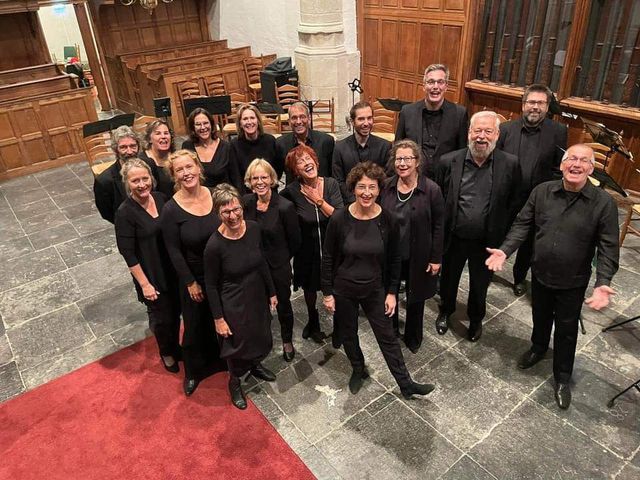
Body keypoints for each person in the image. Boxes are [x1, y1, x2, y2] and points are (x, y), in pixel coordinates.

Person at [486, 144, 619, 410]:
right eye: (571, 159)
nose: (576, 164)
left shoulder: (604, 203)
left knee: (567, 330)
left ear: (591, 169)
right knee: (540, 316)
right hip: (541, 273)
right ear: (562, 164)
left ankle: (562, 377)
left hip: (573, 281)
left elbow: (608, 246)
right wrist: (505, 250)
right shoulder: (542, 191)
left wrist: (603, 282)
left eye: (583, 161)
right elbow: (522, 224)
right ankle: (538, 348)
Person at [321, 162, 435, 399]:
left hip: (374, 289)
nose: (366, 192)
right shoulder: (339, 219)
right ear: (353, 188)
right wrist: (328, 293)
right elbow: (328, 258)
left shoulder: (388, 219)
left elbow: (394, 259)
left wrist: (392, 292)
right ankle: (358, 369)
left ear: (379, 189)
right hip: (344, 289)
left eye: (372, 187)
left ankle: (406, 384)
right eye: (361, 187)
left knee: (388, 338)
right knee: (349, 334)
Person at [434, 111, 520, 342]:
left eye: (488, 131)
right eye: (477, 130)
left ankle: (475, 319)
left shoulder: (510, 164)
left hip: (487, 242)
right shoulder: (448, 161)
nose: (481, 136)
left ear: (497, 135)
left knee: (480, 285)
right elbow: (439, 198)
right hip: (454, 238)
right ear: (469, 133)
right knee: (448, 280)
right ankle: (446, 310)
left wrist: (505, 239)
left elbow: (514, 203)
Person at [204, 184, 278, 410]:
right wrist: (218, 319)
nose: (233, 216)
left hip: (257, 293)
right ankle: (235, 381)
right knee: (237, 343)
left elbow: (262, 261)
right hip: (233, 300)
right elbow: (211, 285)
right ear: (218, 213)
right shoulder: (214, 245)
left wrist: (272, 291)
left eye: (236, 209)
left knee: (259, 333)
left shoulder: (254, 228)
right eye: (226, 212)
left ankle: (255, 365)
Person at [161, 149, 226, 396]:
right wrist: (189, 282)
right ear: (174, 175)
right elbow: (173, 250)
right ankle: (193, 372)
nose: (186, 173)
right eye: (180, 170)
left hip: (222, 272)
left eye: (189, 167)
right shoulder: (171, 209)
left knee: (225, 318)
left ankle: (227, 360)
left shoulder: (215, 194)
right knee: (194, 325)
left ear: (198, 167)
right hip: (195, 276)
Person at [496, 83, 568, 297]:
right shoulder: (506, 129)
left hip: (538, 200)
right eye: (531, 102)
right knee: (498, 233)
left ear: (547, 106)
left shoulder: (558, 131)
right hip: (506, 197)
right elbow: (496, 162)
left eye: (540, 103)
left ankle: (519, 277)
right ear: (523, 104)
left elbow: (558, 167)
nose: (535, 107)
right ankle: (489, 268)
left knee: (528, 243)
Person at [115, 159, 181, 373]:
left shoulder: (161, 198)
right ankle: (167, 352)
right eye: (135, 181)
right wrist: (144, 284)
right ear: (127, 183)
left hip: (172, 269)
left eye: (145, 178)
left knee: (176, 312)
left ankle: (176, 346)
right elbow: (128, 253)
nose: (142, 184)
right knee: (163, 319)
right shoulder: (125, 213)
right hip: (151, 274)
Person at [379, 139, 445, 353]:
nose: (402, 163)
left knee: (416, 297)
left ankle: (413, 337)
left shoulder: (432, 189)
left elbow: (439, 226)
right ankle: (390, 332)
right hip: (391, 255)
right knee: (389, 293)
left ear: (417, 162)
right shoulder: (386, 186)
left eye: (407, 158)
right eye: (398, 159)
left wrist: (436, 258)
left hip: (418, 254)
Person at [281, 144, 344, 343]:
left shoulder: (331, 184)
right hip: (307, 252)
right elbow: (278, 209)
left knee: (336, 289)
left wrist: (319, 201)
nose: (306, 163)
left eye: (308, 158)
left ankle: (340, 326)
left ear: (316, 161)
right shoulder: (291, 192)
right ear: (295, 171)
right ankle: (313, 321)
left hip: (333, 250)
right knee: (309, 288)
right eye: (300, 162)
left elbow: (339, 217)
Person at [242, 159, 301, 362]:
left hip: (278, 266)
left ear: (272, 179)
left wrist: (281, 259)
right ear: (249, 181)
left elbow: (295, 241)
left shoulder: (285, 206)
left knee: (283, 304)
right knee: (257, 305)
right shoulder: (246, 202)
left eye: (264, 177)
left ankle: (287, 340)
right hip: (253, 266)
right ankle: (261, 341)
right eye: (255, 178)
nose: (259, 182)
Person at [395, 64, 469, 179]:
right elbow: (397, 148)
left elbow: (461, 153)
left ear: (446, 86)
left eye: (440, 82)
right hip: (414, 178)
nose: (435, 86)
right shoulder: (407, 112)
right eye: (431, 82)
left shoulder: (459, 114)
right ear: (424, 86)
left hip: (445, 179)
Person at [333, 100, 391, 202]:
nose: (366, 123)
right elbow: (339, 181)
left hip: (377, 202)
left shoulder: (385, 146)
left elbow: (387, 179)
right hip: (350, 203)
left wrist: (373, 200)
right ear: (352, 122)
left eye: (369, 118)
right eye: (361, 119)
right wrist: (355, 201)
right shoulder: (340, 148)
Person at [94, 126, 140, 224]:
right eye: (123, 147)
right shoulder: (104, 181)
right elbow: (107, 213)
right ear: (116, 150)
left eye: (133, 146)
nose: (129, 152)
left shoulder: (148, 166)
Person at [277, 102, 335, 180]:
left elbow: (332, 173)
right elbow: (276, 175)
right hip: (294, 187)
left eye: (302, 117)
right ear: (289, 121)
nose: (298, 122)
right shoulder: (281, 144)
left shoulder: (326, 141)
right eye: (294, 118)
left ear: (309, 119)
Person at [229, 103, 282, 189]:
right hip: (245, 193)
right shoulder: (234, 145)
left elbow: (277, 170)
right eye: (245, 119)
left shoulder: (270, 141)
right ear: (240, 124)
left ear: (258, 121)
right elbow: (235, 176)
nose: (249, 122)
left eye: (252, 118)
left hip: (269, 190)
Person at [181, 107, 233, 189]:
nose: (203, 127)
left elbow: (235, 178)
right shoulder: (187, 146)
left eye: (205, 123)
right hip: (196, 194)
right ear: (193, 127)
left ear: (211, 124)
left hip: (220, 195)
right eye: (198, 124)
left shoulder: (226, 147)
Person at [139, 119, 176, 197]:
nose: (163, 136)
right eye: (158, 133)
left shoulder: (176, 157)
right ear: (149, 139)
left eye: (166, 133)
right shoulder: (142, 161)